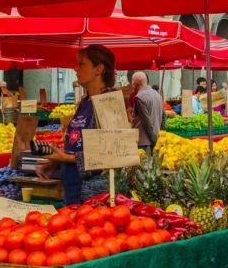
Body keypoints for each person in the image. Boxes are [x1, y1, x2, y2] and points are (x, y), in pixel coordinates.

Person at [36, 45, 115, 204]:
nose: (75, 69)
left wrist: (65, 157)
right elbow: (77, 144)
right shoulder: (84, 102)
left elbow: (110, 154)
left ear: (98, 69)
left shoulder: (109, 103)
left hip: (93, 195)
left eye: (81, 64)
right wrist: (57, 162)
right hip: (73, 188)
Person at [130, 72, 165, 151]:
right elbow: (164, 116)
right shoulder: (157, 95)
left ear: (137, 84)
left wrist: (154, 139)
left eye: (132, 84)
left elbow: (147, 121)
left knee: (145, 163)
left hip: (144, 143)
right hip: (156, 138)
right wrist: (161, 136)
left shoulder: (139, 97)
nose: (132, 86)